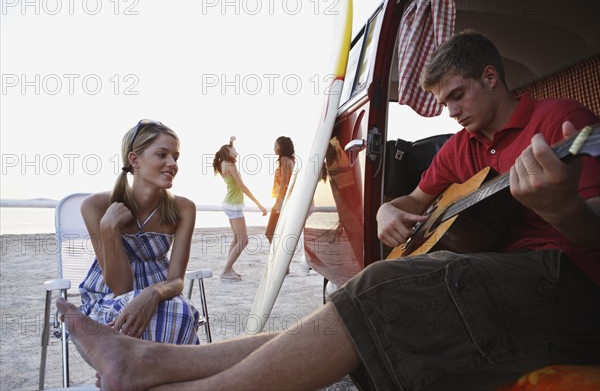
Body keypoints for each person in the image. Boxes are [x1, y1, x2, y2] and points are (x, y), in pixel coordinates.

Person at [57, 31, 599, 390]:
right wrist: (390, 209)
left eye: (458, 96)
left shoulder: (560, 122)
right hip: (493, 274)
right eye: (443, 103)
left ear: (490, 76)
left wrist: (563, 209)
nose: (451, 112)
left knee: (378, 288)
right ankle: (146, 360)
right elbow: (410, 201)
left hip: (568, 282)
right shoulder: (465, 145)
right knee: (361, 301)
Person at [78, 119, 200, 345]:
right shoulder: (95, 206)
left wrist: (152, 293)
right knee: (141, 315)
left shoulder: (183, 208)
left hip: (164, 294)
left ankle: (137, 375)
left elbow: (176, 281)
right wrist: (109, 230)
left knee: (180, 310)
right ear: (134, 159)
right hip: (108, 296)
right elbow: (121, 286)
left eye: (176, 157)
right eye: (162, 155)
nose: (173, 163)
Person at [213, 136, 267, 280]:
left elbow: (228, 148)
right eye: (234, 150)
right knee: (244, 240)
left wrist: (231, 142)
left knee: (236, 239)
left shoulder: (223, 163)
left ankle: (228, 268)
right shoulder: (230, 165)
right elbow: (242, 186)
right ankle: (225, 271)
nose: (237, 152)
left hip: (229, 204)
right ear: (227, 152)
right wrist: (259, 204)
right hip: (234, 205)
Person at [265, 136, 295, 244]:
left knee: (270, 233)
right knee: (277, 233)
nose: (274, 148)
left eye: (275, 146)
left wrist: (276, 204)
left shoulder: (284, 160)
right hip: (286, 199)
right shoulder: (291, 160)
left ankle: (275, 258)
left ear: (282, 147)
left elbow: (283, 183)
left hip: (282, 200)